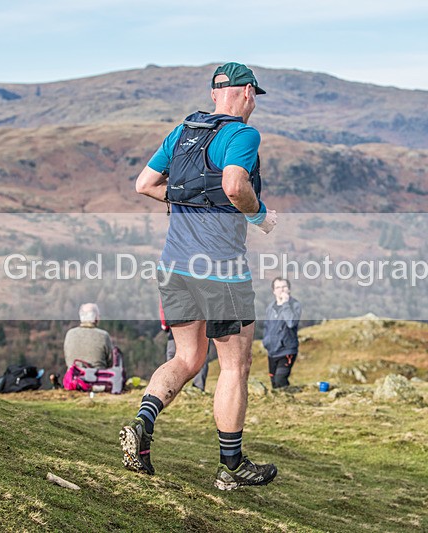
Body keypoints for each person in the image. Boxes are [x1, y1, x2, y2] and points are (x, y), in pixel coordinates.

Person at [121, 62, 279, 490]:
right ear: (246, 93)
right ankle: (231, 465)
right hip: (222, 273)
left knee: (187, 358)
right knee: (235, 365)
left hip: (173, 267)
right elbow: (233, 185)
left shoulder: (183, 131)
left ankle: (142, 423)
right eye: (253, 95)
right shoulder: (243, 135)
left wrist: (189, 199)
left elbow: (145, 184)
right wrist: (260, 215)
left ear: (214, 94)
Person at [262, 278, 303, 389]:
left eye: (284, 287)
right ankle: (283, 404)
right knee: (274, 384)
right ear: (274, 291)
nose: (281, 290)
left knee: (280, 380)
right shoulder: (270, 307)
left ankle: (292, 401)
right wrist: (266, 342)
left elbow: (291, 323)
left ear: (289, 289)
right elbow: (267, 326)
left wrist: (285, 304)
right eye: (278, 287)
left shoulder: (294, 305)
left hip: (287, 350)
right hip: (272, 351)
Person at [63, 303, 113, 369]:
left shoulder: (70, 334)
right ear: (96, 318)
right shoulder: (103, 336)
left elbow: (67, 359)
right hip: (98, 377)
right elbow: (111, 363)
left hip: (74, 377)